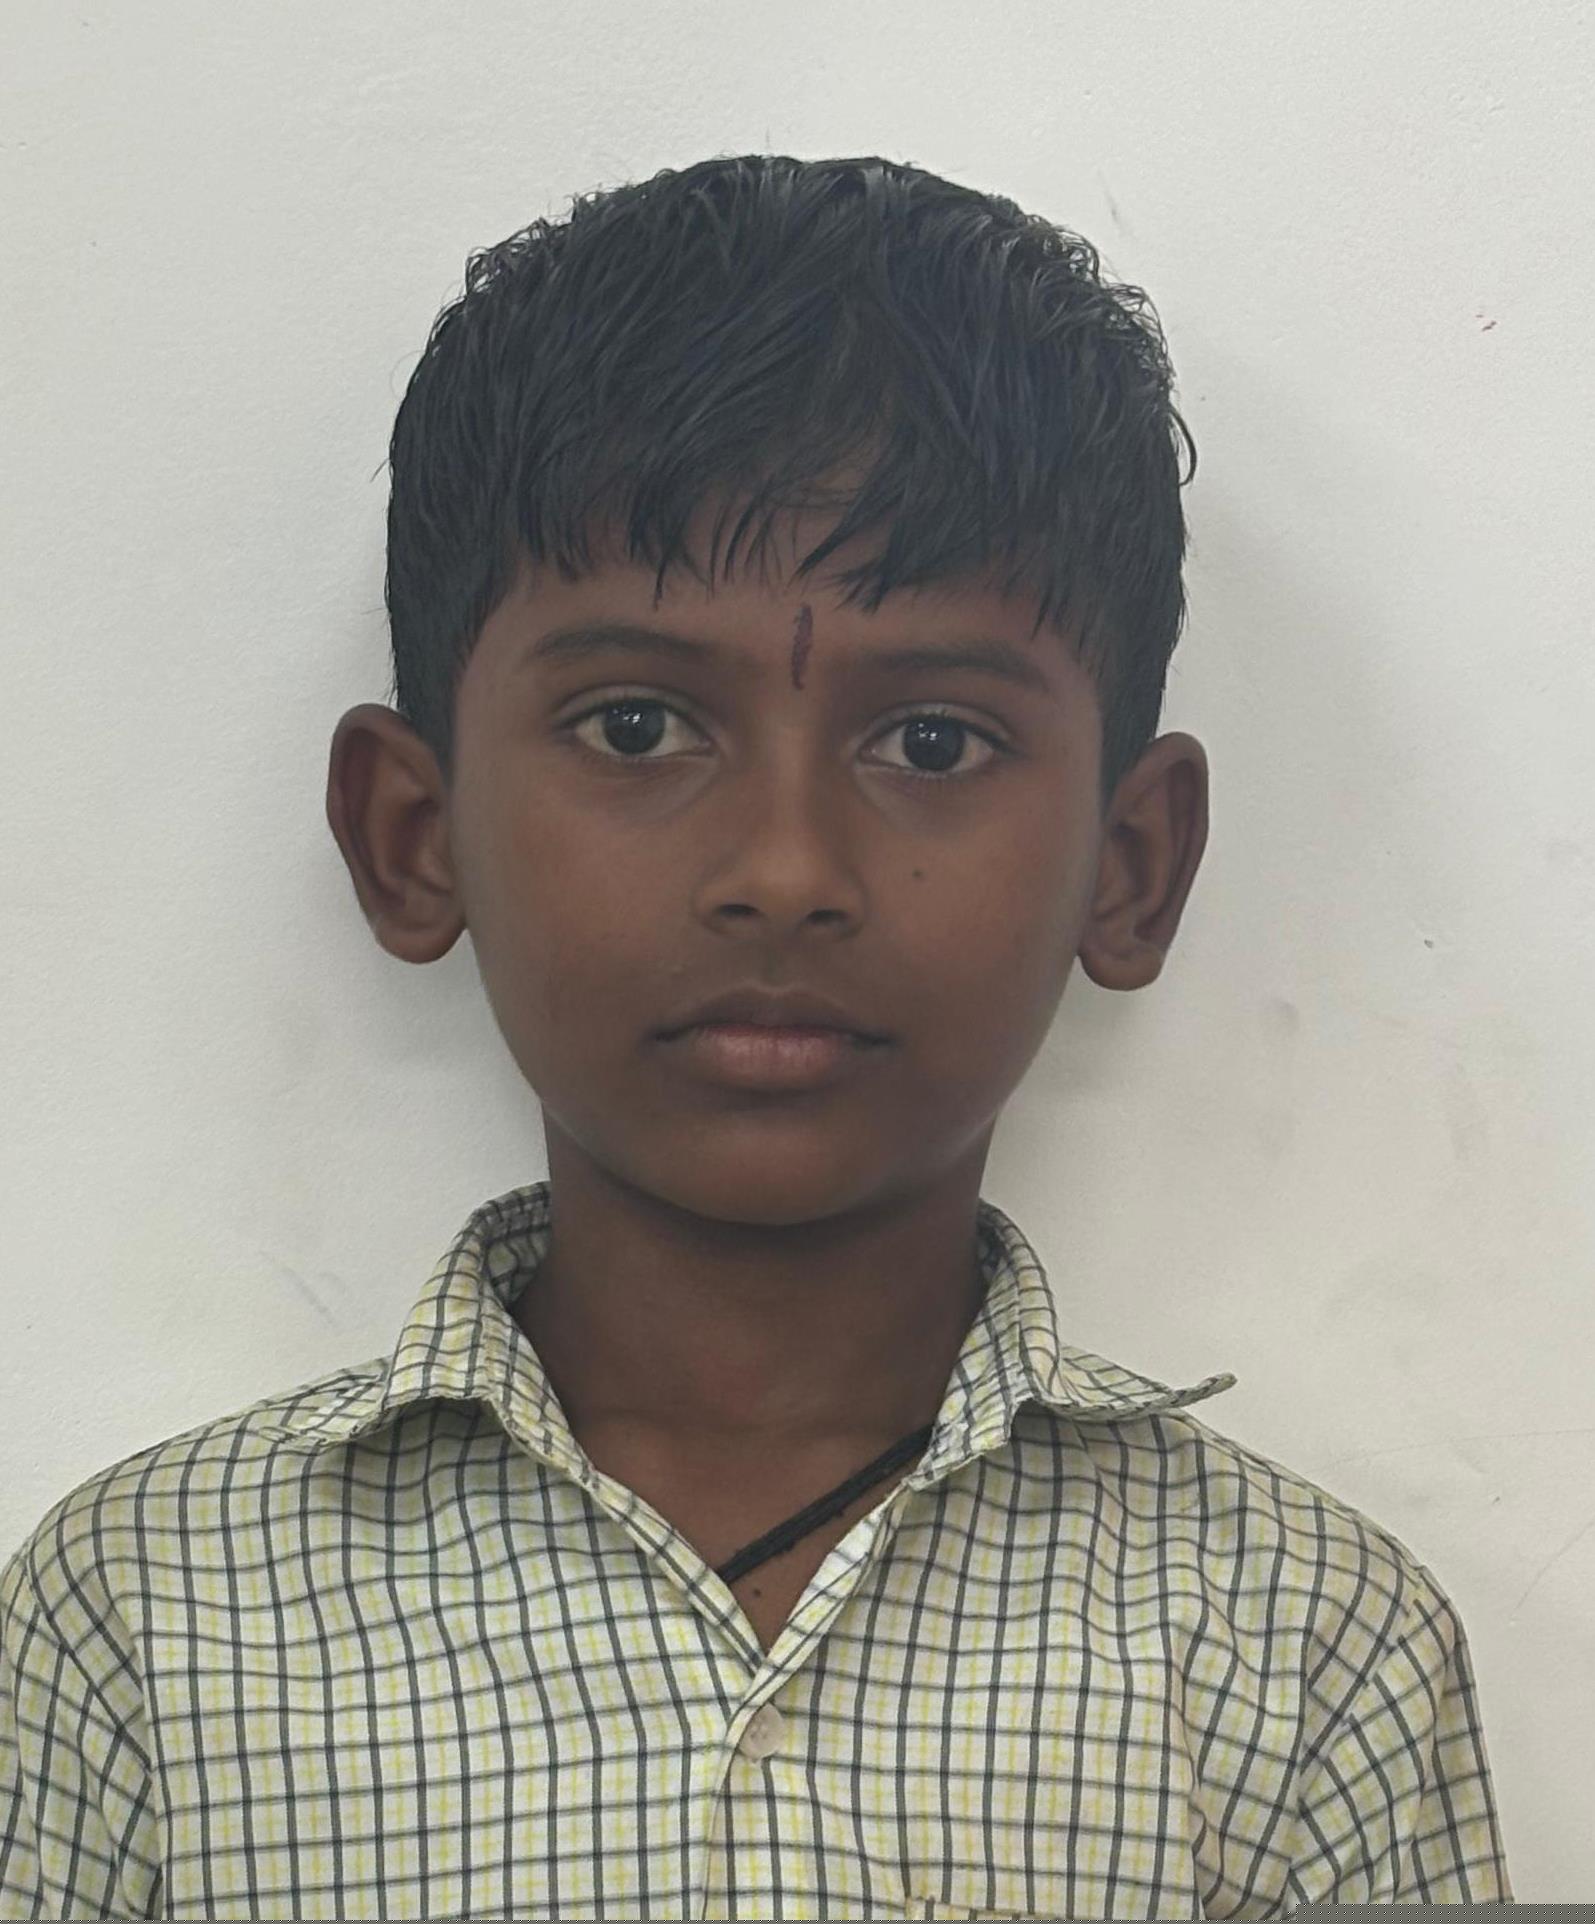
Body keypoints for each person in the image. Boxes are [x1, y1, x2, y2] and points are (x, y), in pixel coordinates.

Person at [0, 153, 1512, 1920]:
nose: (785, 872)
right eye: (637, 726)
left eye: (931, 742)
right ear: (415, 837)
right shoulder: (144, 1626)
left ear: (1128, 867)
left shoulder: (1303, 1653)